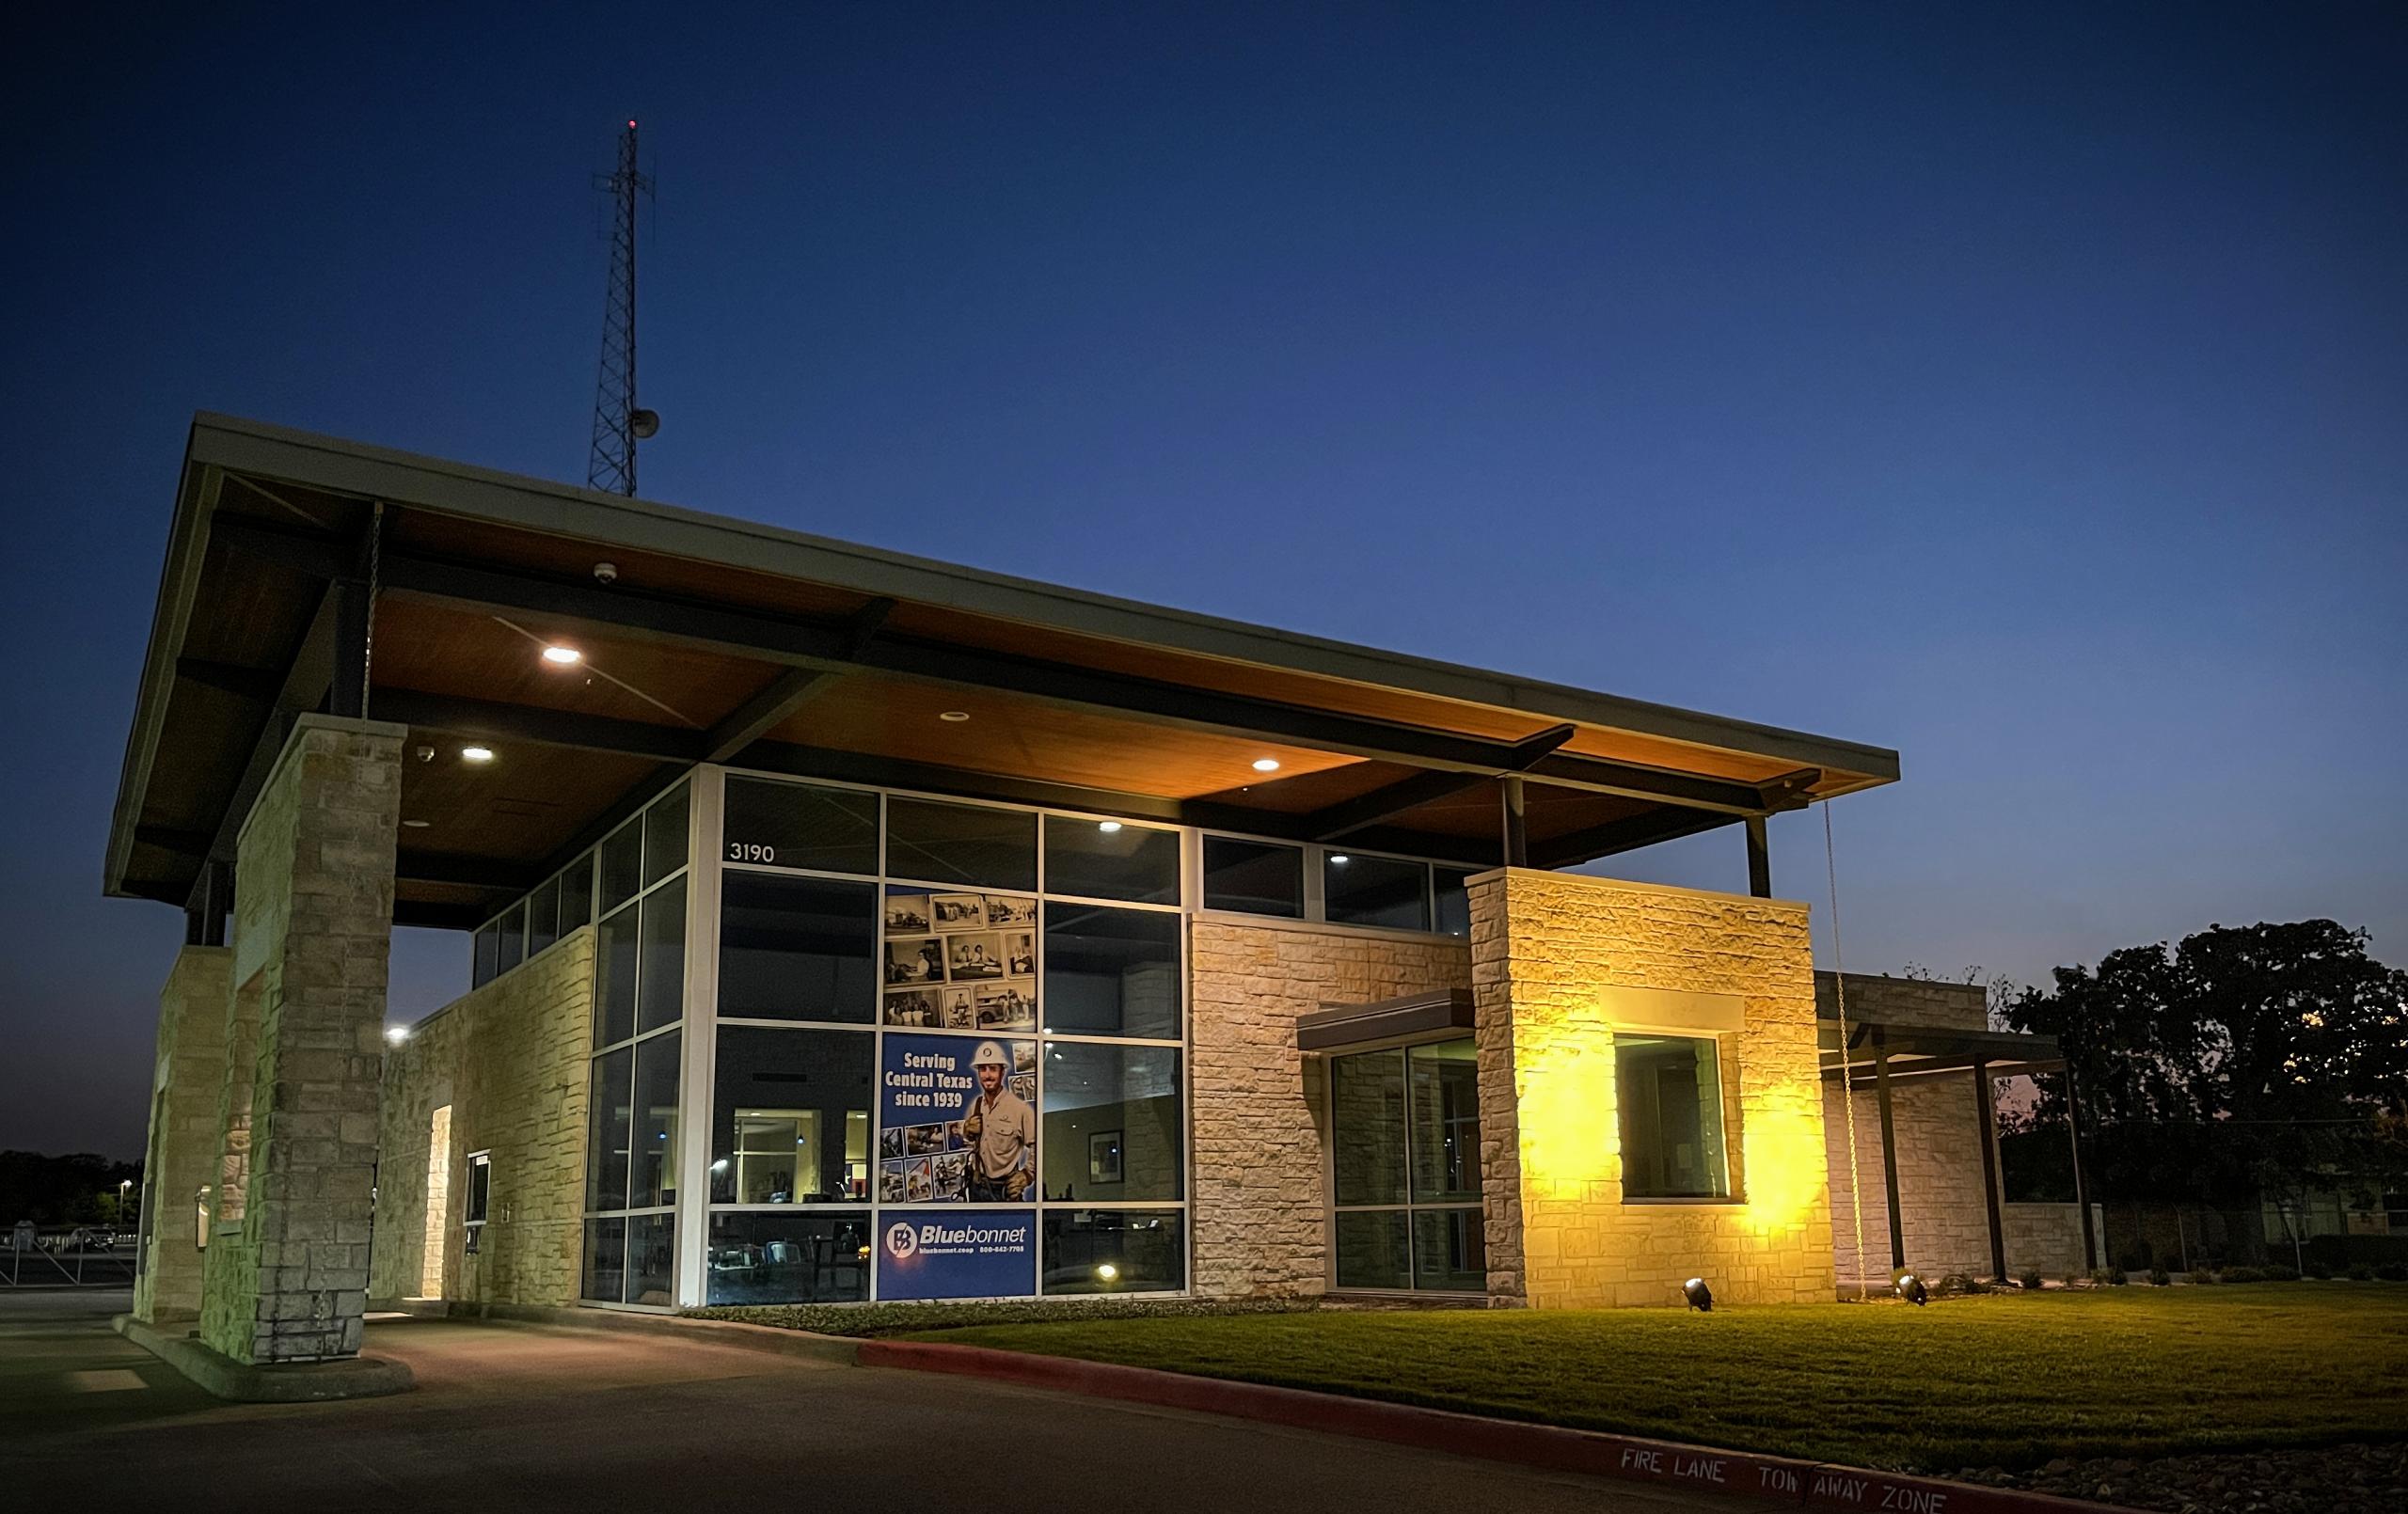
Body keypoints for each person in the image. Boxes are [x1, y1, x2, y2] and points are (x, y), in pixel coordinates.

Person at [957, 1041, 1035, 1201]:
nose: (987, 1075)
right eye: (982, 1069)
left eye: (993, 1068)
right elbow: (969, 1142)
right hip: (976, 1186)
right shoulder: (976, 1105)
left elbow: (1038, 1147)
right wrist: (967, 1131)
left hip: (1004, 1190)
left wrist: (1027, 1175)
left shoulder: (1020, 1108)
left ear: (1002, 1072)